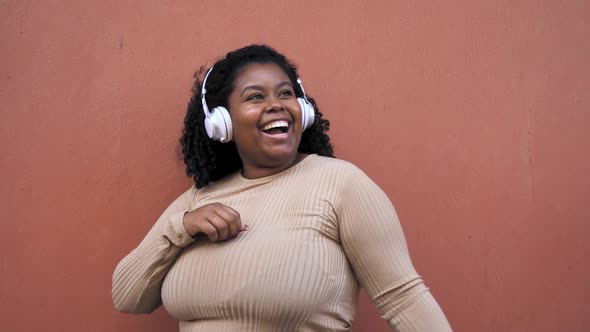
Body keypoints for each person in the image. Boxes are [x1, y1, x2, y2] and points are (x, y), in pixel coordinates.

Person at [112, 44, 452, 332]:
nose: (276, 104)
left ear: (302, 111)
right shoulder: (198, 202)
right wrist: (181, 227)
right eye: (255, 97)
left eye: (286, 93)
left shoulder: (340, 184)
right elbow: (128, 297)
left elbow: (404, 298)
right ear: (222, 123)